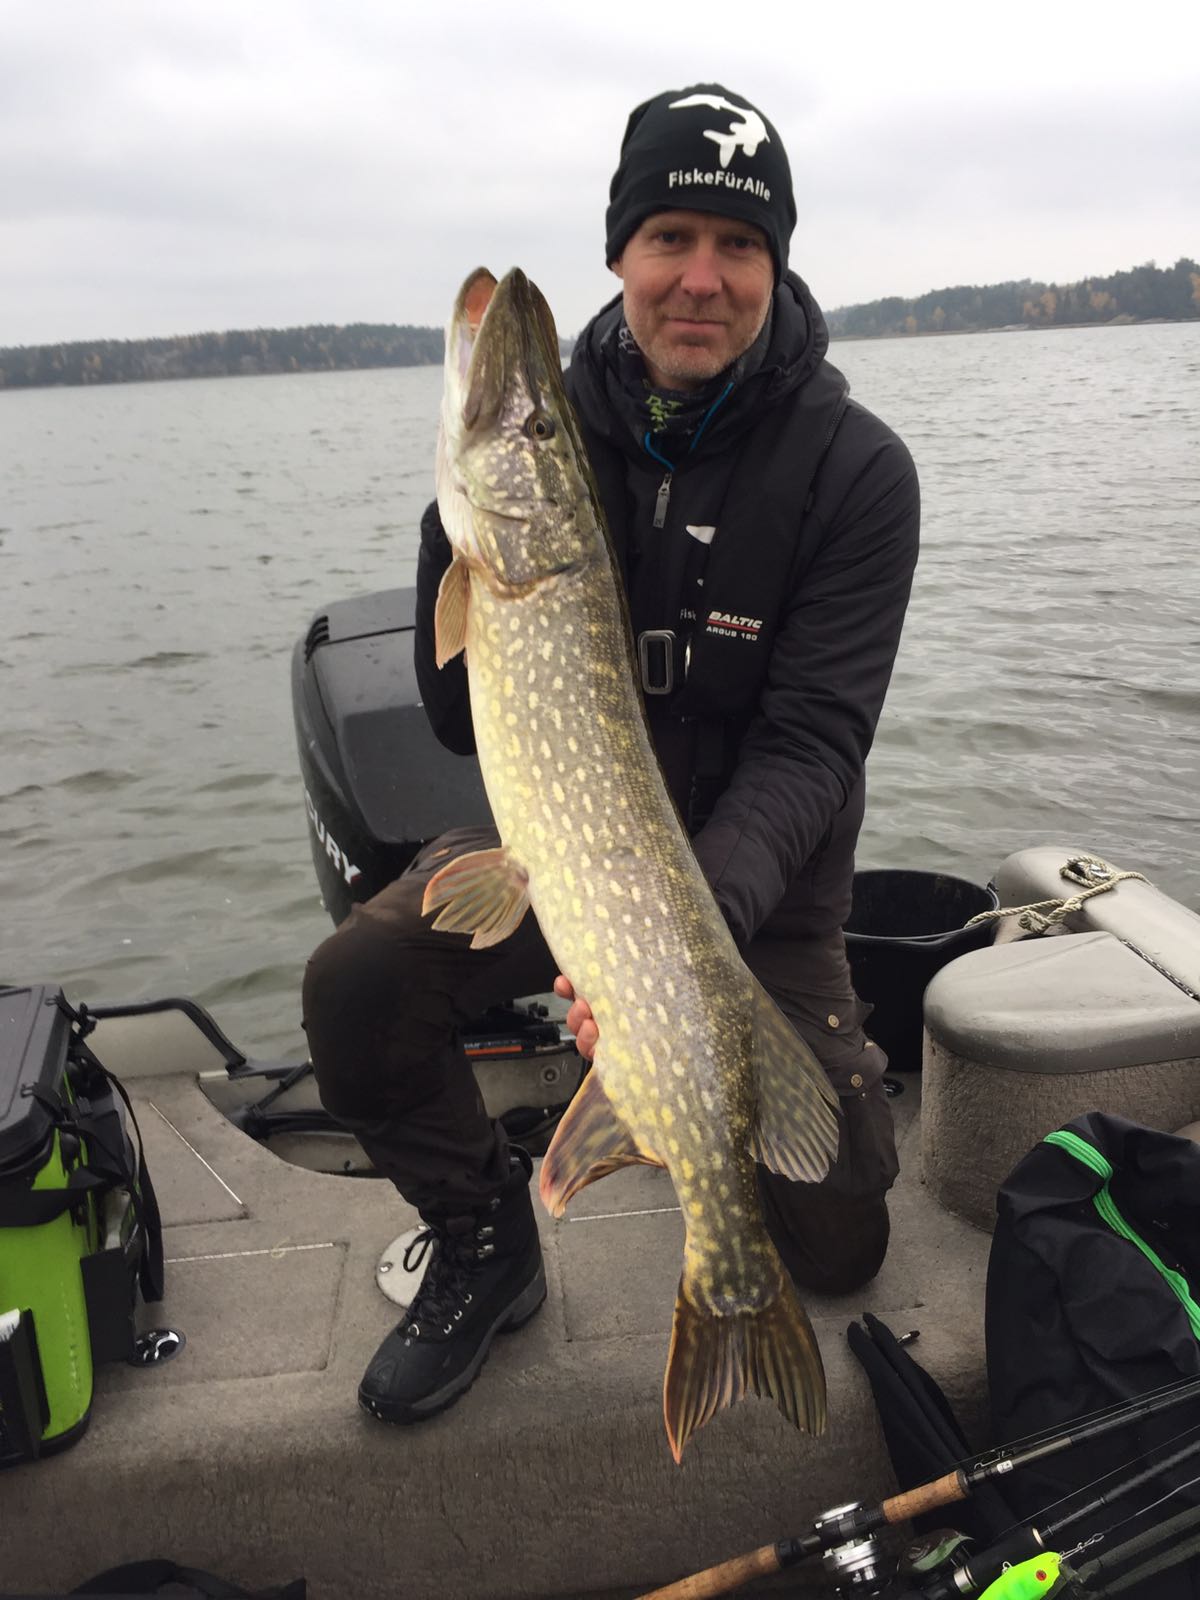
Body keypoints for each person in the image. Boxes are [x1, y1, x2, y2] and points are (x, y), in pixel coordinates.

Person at [302, 82, 920, 1427]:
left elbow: (816, 746)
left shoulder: (858, 473)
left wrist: (675, 977)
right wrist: (454, 536)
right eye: (672, 238)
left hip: (758, 894)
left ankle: (682, 1136)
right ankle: (485, 1238)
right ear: (624, 255)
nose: (703, 278)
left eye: (739, 246)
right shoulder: (552, 443)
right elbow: (465, 720)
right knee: (355, 982)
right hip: (558, 861)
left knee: (839, 1239)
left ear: (776, 264)